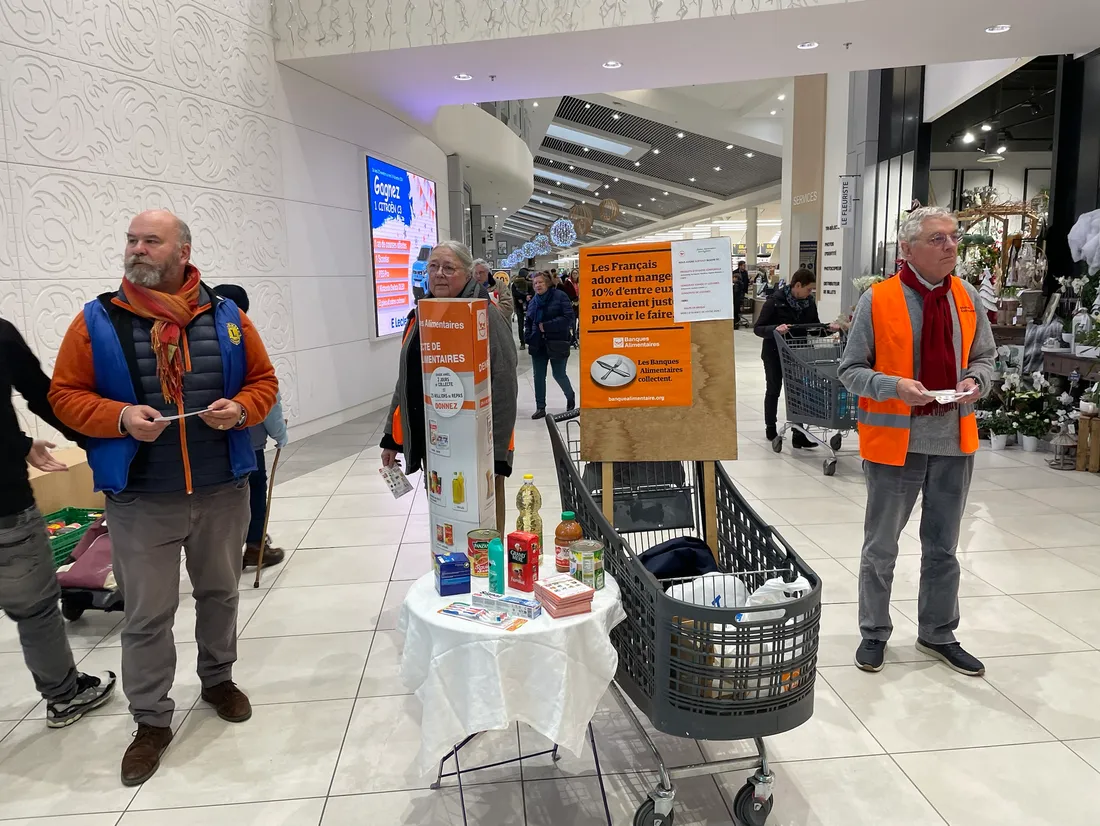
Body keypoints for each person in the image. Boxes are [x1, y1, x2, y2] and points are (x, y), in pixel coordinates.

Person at [49, 209, 279, 786]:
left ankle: (218, 680)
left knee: (220, 594)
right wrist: (121, 416)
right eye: (132, 240)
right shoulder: (96, 321)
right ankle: (150, 720)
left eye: (151, 240)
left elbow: (264, 382)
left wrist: (243, 410)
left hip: (222, 491)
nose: (138, 249)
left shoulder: (226, 317)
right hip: (140, 499)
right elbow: (64, 395)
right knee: (147, 617)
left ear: (183, 251)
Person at [839, 206, 995, 677]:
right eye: (937, 239)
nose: (950, 246)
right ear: (908, 249)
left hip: (953, 439)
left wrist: (976, 382)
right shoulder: (879, 299)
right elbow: (850, 371)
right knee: (881, 547)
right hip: (895, 444)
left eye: (952, 237)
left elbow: (986, 358)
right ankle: (873, 632)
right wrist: (894, 387)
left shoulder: (966, 298)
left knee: (943, 547)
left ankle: (938, 632)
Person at [0, 317, 117, 729]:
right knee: (34, 610)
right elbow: (42, 394)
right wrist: (99, 440)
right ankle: (65, 696)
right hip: (5, 508)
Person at [380, 241, 518, 480]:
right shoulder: (421, 316)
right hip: (435, 439)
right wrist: (391, 438)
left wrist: (496, 455)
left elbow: (504, 384)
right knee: (441, 502)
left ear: (467, 274)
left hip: (479, 444)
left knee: (484, 510)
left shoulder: (486, 315)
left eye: (448, 268)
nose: (439, 274)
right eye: (433, 267)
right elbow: (406, 380)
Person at [212, 284, 290, 570]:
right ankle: (256, 546)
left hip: (211, 441)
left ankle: (223, 552)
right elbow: (269, 395)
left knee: (223, 496)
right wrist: (280, 434)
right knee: (254, 491)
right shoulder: (243, 340)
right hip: (248, 437)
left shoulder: (197, 341)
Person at [754, 268, 836, 447]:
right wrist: (775, 329)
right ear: (797, 285)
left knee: (798, 391)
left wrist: (827, 328)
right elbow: (758, 328)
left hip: (798, 354)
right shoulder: (775, 302)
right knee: (774, 389)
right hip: (774, 353)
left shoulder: (809, 303)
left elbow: (812, 327)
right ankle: (771, 427)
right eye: (808, 289)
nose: (810, 293)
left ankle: (798, 434)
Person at [526, 271, 576, 419]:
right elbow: (528, 321)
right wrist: (528, 336)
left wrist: (547, 326)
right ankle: (540, 407)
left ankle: (570, 396)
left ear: (547, 283)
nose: (537, 285)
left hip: (557, 341)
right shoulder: (533, 301)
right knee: (538, 376)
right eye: (535, 283)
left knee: (559, 374)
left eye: (540, 282)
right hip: (538, 343)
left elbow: (569, 317)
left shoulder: (560, 296)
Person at [511, 268, 532, 350]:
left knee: (523, 325)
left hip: (522, 306)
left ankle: (523, 342)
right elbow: (515, 293)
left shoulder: (515, 284)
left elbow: (515, 294)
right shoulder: (517, 284)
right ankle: (524, 342)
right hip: (526, 306)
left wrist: (521, 298)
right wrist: (525, 297)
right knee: (525, 325)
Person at [560, 271, 580, 346]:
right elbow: (566, 293)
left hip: (580, 304)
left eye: (576, 273)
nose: (575, 275)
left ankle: (578, 335)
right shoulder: (568, 283)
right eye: (573, 273)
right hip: (572, 304)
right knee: (573, 322)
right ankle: (573, 337)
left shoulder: (580, 282)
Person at [733, 260, 749, 328]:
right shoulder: (735, 272)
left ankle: (736, 321)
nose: (744, 267)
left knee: (736, 307)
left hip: (740, 293)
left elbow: (746, 281)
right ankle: (737, 320)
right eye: (743, 265)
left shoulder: (745, 272)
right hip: (740, 294)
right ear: (740, 265)